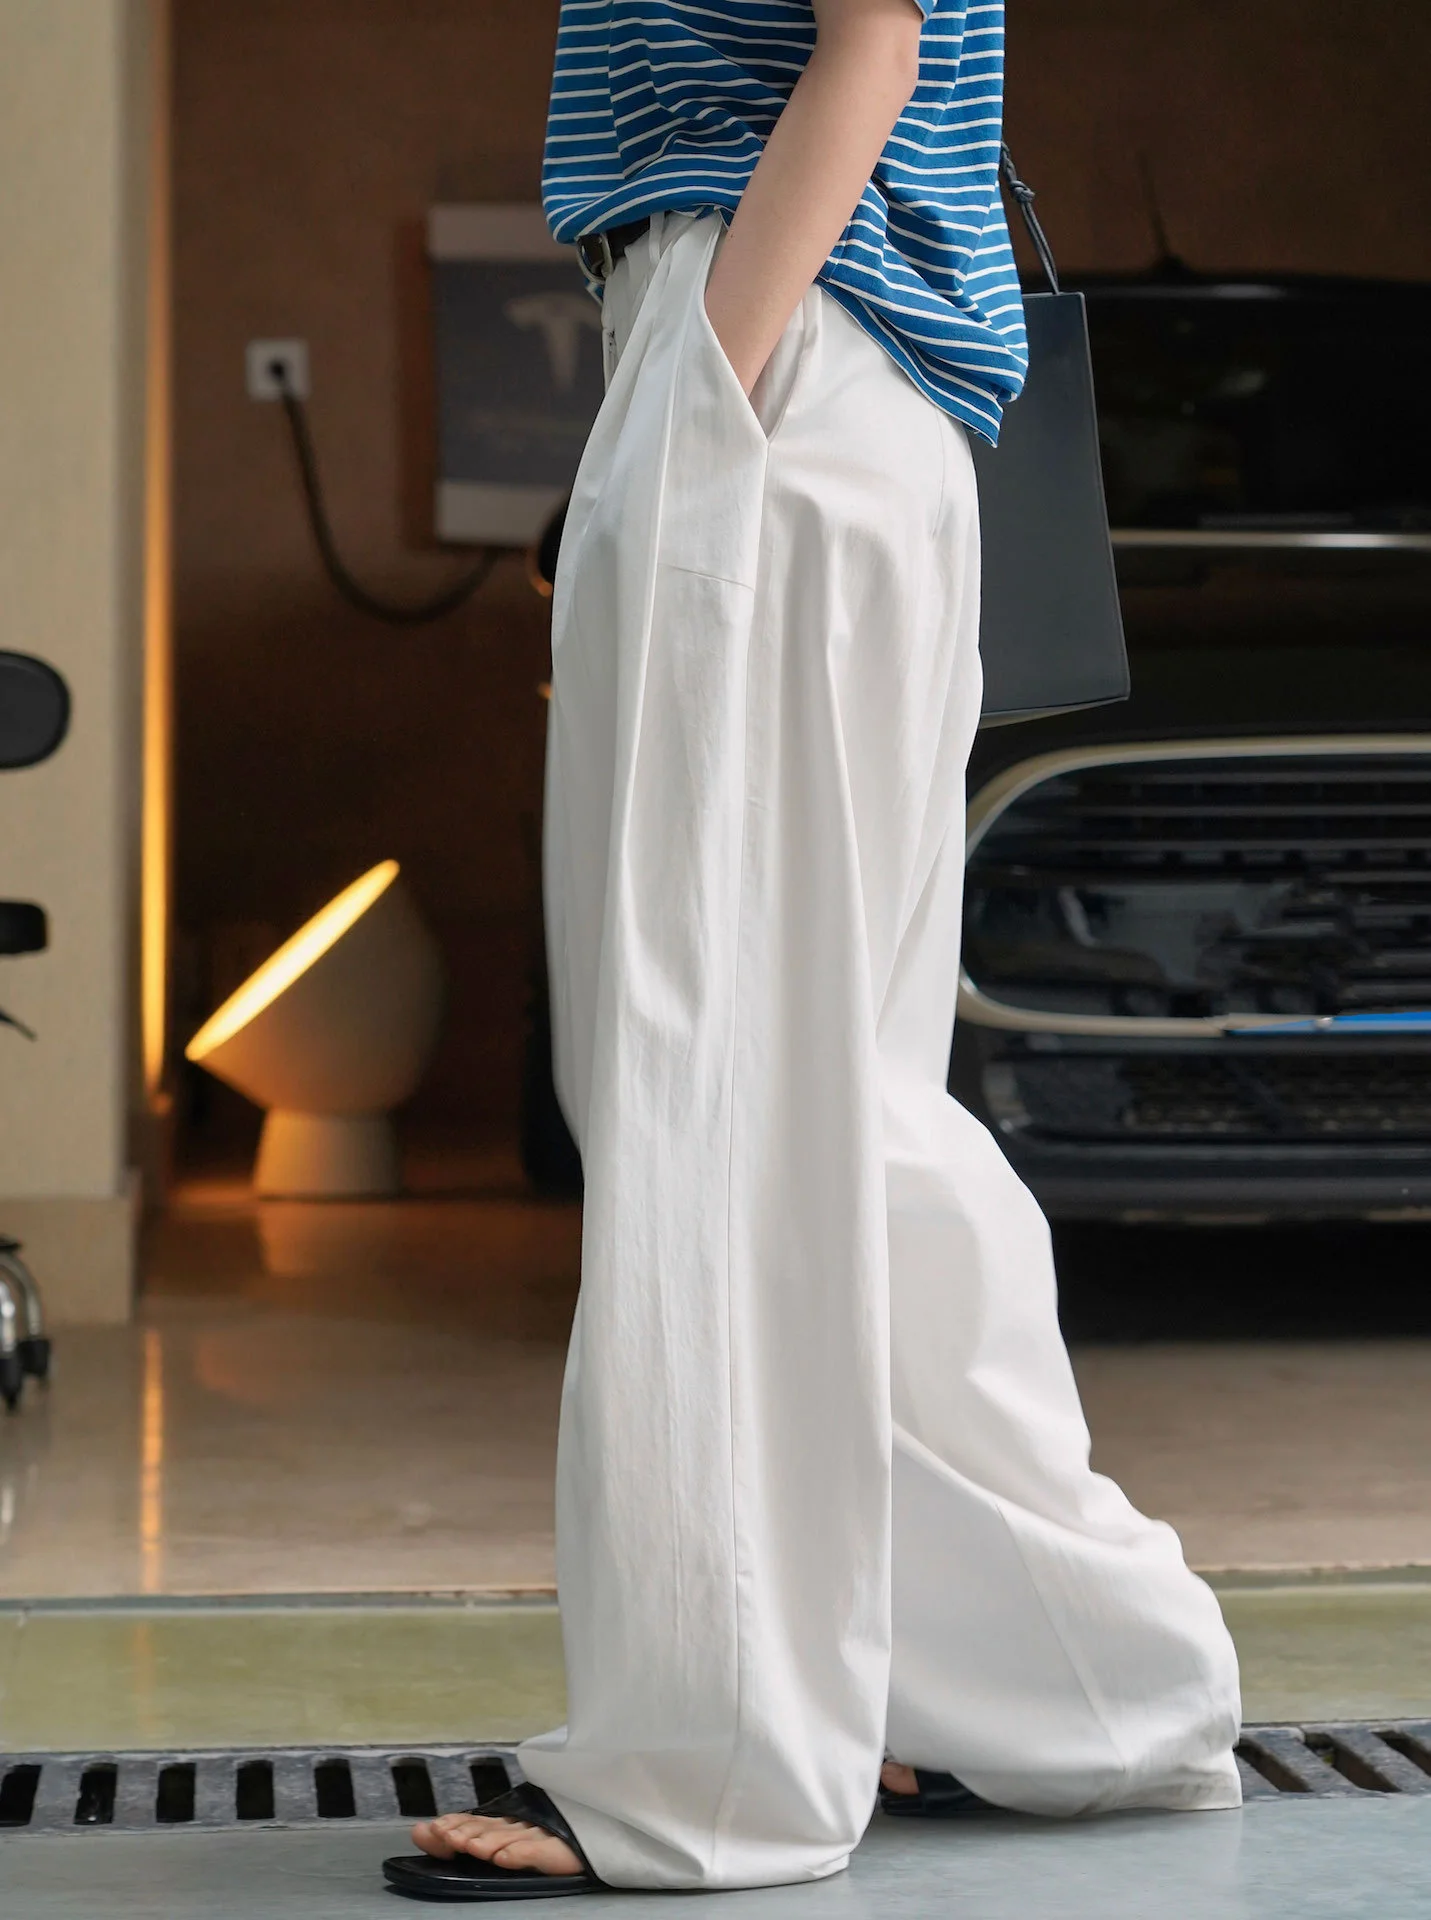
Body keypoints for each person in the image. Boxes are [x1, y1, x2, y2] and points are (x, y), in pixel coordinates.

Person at [383, 0, 1242, 1900]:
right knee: (830, 1103)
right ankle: (1079, 1693)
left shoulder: (738, 356)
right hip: (835, 376)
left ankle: (710, 1774)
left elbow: (871, 32)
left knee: (710, 1096)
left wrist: (706, 373)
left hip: (770, 357)